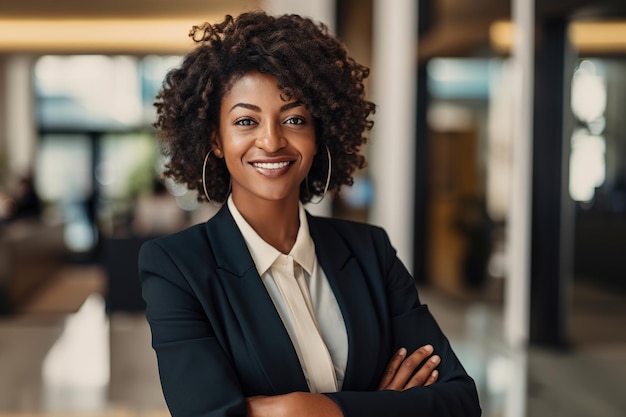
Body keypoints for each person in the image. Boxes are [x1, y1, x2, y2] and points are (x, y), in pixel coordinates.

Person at [139, 11, 481, 417]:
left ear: (319, 136)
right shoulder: (178, 267)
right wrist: (385, 406)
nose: (271, 140)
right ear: (216, 139)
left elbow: (459, 401)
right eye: (246, 121)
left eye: (294, 119)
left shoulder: (371, 251)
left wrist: (308, 409)